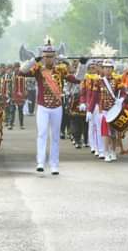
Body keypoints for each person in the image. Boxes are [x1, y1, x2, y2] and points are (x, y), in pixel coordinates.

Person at [19, 39, 85, 174]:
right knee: (42, 134)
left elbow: (77, 79)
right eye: (46, 57)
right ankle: (40, 162)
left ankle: (54, 164)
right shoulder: (37, 69)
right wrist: (33, 60)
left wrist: (83, 65)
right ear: (42, 57)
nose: (48, 60)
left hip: (57, 107)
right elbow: (22, 72)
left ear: (55, 57)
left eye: (51, 57)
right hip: (43, 107)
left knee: (55, 136)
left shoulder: (60, 70)